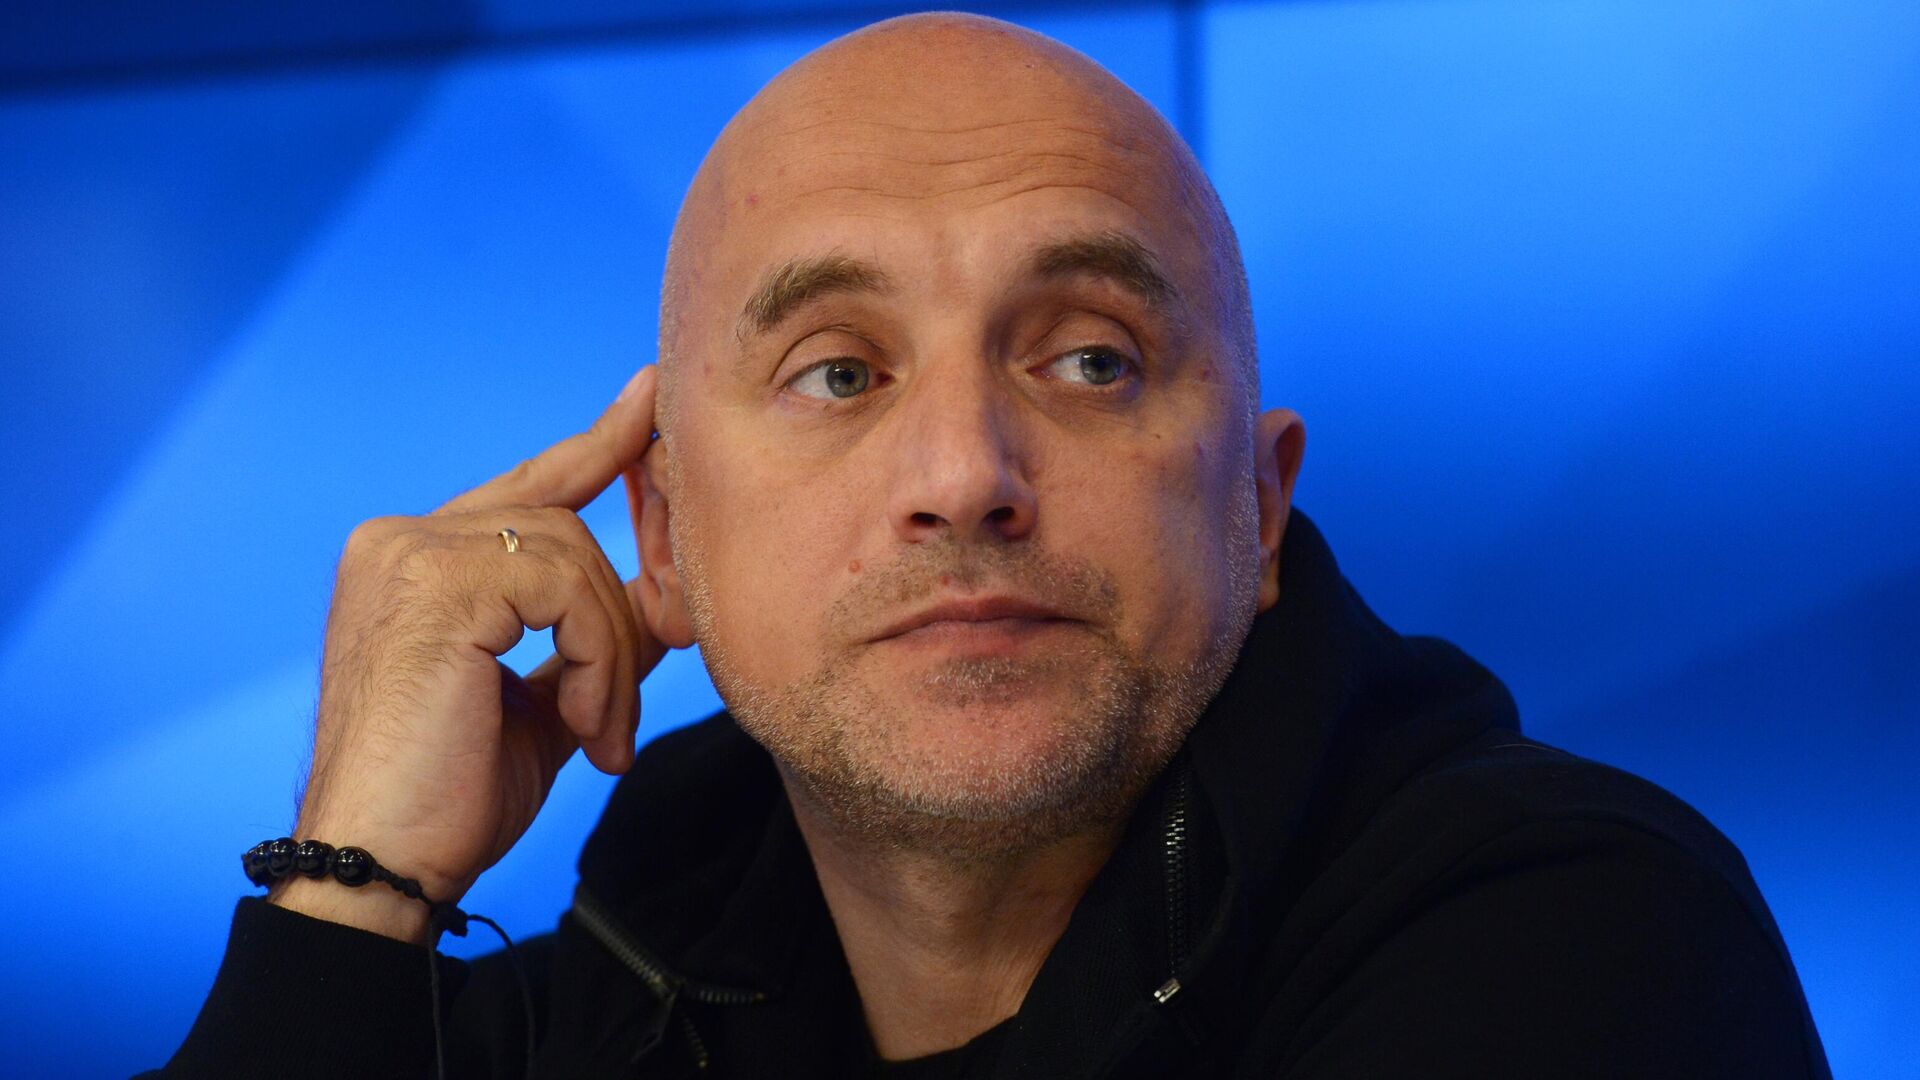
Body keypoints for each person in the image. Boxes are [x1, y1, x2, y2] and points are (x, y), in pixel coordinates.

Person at [153, 12, 1830, 1079]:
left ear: (1258, 510)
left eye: (1090, 360)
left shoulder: (1576, 939)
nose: (964, 477)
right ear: (665, 535)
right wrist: (349, 892)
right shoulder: (583, 1014)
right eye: (840, 374)